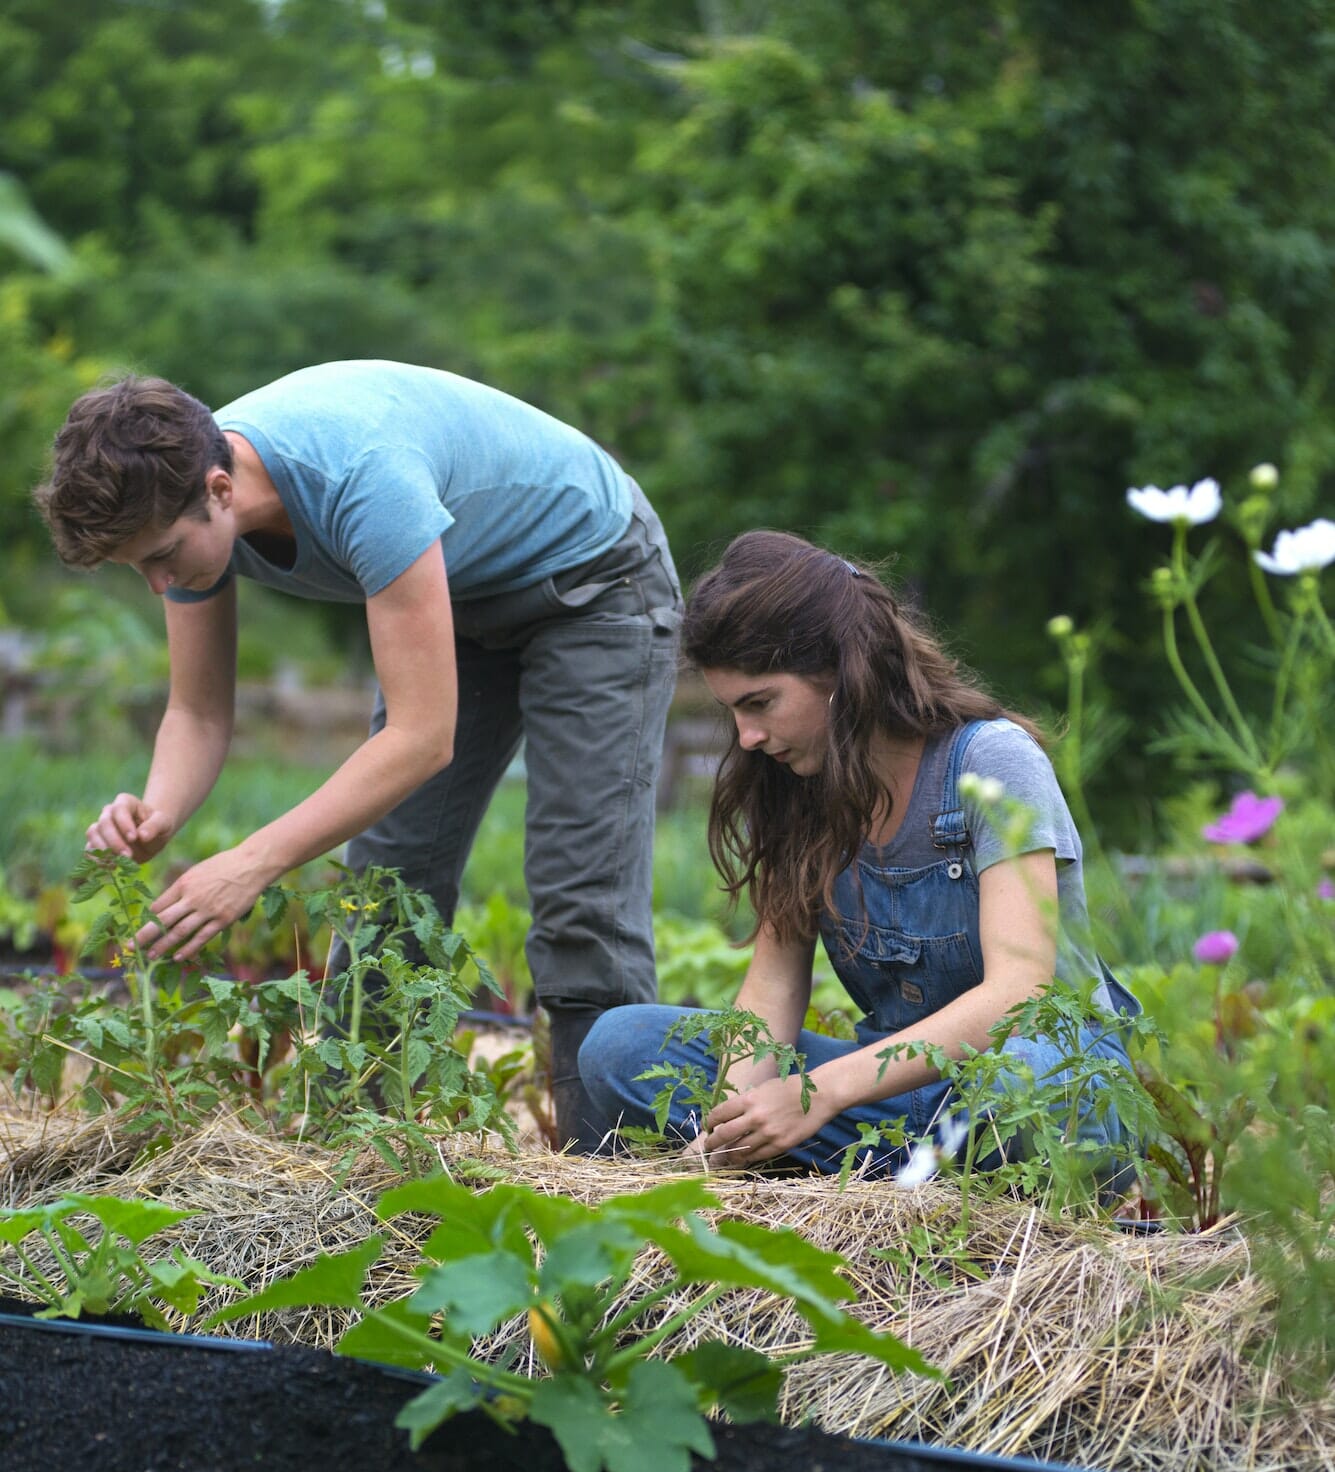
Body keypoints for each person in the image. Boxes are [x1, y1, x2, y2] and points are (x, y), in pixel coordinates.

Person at [34, 361, 683, 1149]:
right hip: (460, 591)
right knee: (387, 888)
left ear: (218, 488)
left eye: (162, 556)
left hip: (592, 578)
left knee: (580, 892)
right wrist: (160, 809)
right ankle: (354, 1160)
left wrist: (253, 860)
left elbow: (420, 737)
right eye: (137, 566)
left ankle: (608, 1172)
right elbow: (198, 710)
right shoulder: (183, 509)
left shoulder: (359, 479)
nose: (157, 582)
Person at [579, 530, 1141, 1185]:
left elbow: (1021, 993)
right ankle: (893, 1175)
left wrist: (819, 1094)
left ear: (842, 673)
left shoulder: (990, 763)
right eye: (732, 711)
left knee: (1034, 1079)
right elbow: (769, 992)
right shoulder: (799, 790)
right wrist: (731, 1126)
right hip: (892, 1101)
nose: (747, 737)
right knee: (620, 1045)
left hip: (1039, 1093)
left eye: (759, 703)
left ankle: (902, 1173)